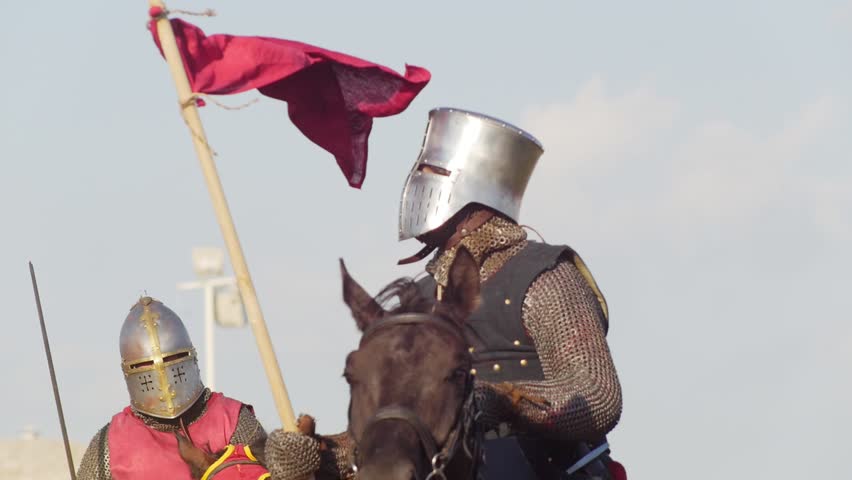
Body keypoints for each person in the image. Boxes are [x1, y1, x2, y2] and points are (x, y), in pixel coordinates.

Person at [266, 107, 626, 480]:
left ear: (476, 183)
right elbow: (398, 424)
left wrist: (501, 399)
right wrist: (321, 455)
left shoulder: (542, 274)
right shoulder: (419, 302)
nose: (417, 183)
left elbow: (596, 396)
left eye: (434, 172)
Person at [77, 296, 269, 480]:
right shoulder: (111, 443)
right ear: (130, 371)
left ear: (190, 357)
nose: (162, 374)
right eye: (145, 366)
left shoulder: (231, 420)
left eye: (171, 360)